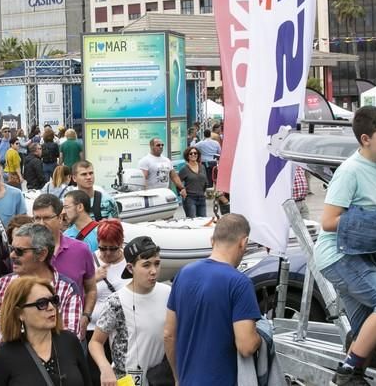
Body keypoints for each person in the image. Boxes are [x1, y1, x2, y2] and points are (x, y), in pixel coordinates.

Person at [314, 106, 376, 385]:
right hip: (338, 256)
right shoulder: (350, 171)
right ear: (366, 139)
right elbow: (328, 221)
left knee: (364, 329)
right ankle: (347, 374)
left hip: (361, 254)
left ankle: (351, 376)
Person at [0, 223, 83, 386]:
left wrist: (14, 320)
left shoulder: (66, 289)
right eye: (12, 248)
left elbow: (65, 342)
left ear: (42, 254)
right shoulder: (2, 284)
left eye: (19, 251)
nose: (11, 255)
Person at [164, 214, 261, 386]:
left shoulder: (183, 274)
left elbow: (169, 334)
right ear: (243, 242)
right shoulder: (239, 283)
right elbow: (246, 346)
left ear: (211, 240)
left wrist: (177, 377)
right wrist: (261, 336)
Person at [89, 236, 171, 386]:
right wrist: (105, 368)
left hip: (160, 378)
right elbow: (95, 342)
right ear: (130, 268)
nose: (153, 271)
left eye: (157, 264)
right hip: (126, 379)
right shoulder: (116, 301)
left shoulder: (168, 293)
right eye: (146, 265)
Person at [0, 276, 92, 385]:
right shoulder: (3, 355)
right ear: (19, 313)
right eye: (42, 303)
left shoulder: (69, 341)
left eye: (53, 300)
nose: (51, 307)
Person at [32, 194, 97, 325]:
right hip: (37, 330)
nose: (41, 224)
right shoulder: (27, 253)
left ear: (60, 218)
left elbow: (91, 289)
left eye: (46, 218)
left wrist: (86, 316)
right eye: (37, 218)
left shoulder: (81, 250)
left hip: (73, 330)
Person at [87, 219, 130, 385]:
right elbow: (75, 295)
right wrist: (93, 279)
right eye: (102, 248)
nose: (107, 253)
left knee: (123, 379)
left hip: (121, 333)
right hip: (93, 330)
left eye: (113, 248)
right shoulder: (91, 260)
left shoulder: (130, 262)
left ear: (120, 243)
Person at [178, 146, 208, 218]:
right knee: (192, 221)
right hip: (190, 198)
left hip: (201, 198)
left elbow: (205, 181)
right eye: (191, 153)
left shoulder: (202, 167)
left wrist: (204, 192)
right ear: (187, 156)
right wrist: (181, 190)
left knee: (203, 221)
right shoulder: (184, 169)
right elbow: (177, 182)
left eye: (195, 153)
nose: (193, 155)